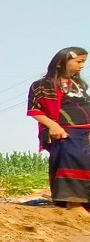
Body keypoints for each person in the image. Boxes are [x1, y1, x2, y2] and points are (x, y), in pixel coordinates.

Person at [28, 47, 90, 216]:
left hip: (86, 129)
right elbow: (35, 110)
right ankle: (74, 203)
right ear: (63, 62)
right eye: (79, 61)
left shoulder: (79, 85)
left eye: (84, 62)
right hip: (64, 130)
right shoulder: (42, 85)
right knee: (75, 157)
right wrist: (53, 126)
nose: (82, 66)